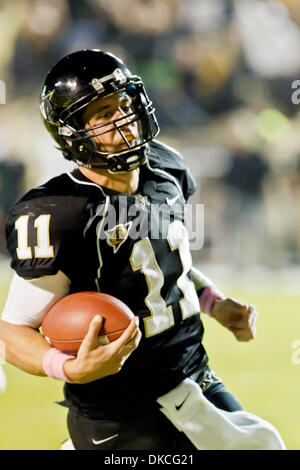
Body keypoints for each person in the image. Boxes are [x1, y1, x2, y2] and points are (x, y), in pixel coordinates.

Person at [0, 50, 284, 450]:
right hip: (121, 406)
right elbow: (12, 331)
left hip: (191, 375)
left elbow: (164, 265)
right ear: (72, 135)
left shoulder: (167, 169)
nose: (123, 121)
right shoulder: (58, 212)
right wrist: (67, 367)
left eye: (124, 104)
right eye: (102, 115)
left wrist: (214, 302)